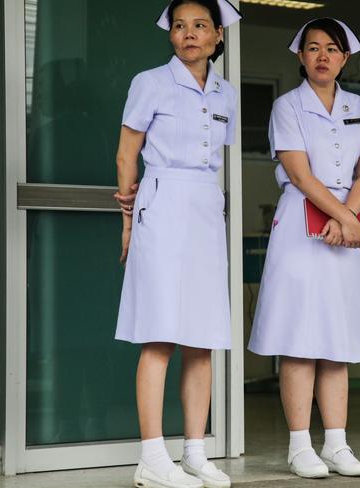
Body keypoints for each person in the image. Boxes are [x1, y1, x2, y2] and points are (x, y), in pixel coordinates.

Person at [113, 1, 240, 487]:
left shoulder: (226, 93)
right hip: (162, 202)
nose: (189, 34)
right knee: (160, 332)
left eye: (200, 26)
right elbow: (127, 153)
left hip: (206, 209)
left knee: (202, 337)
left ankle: (194, 451)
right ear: (171, 36)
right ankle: (151, 457)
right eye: (180, 27)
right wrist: (128, 217)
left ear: (217, 36)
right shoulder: (151, 82)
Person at [248, 18, 360, 479]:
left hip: (349, 223)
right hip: (305, 220)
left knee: (337, 337)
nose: (322, 55)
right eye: (313, 48)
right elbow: (301, 175)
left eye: (332, 48)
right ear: (300, 56)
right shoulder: (287, 106)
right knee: (300, 336)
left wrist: (350, 217)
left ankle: (338, 443)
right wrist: (346, 219)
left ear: (345, 57)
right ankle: (300, 445)